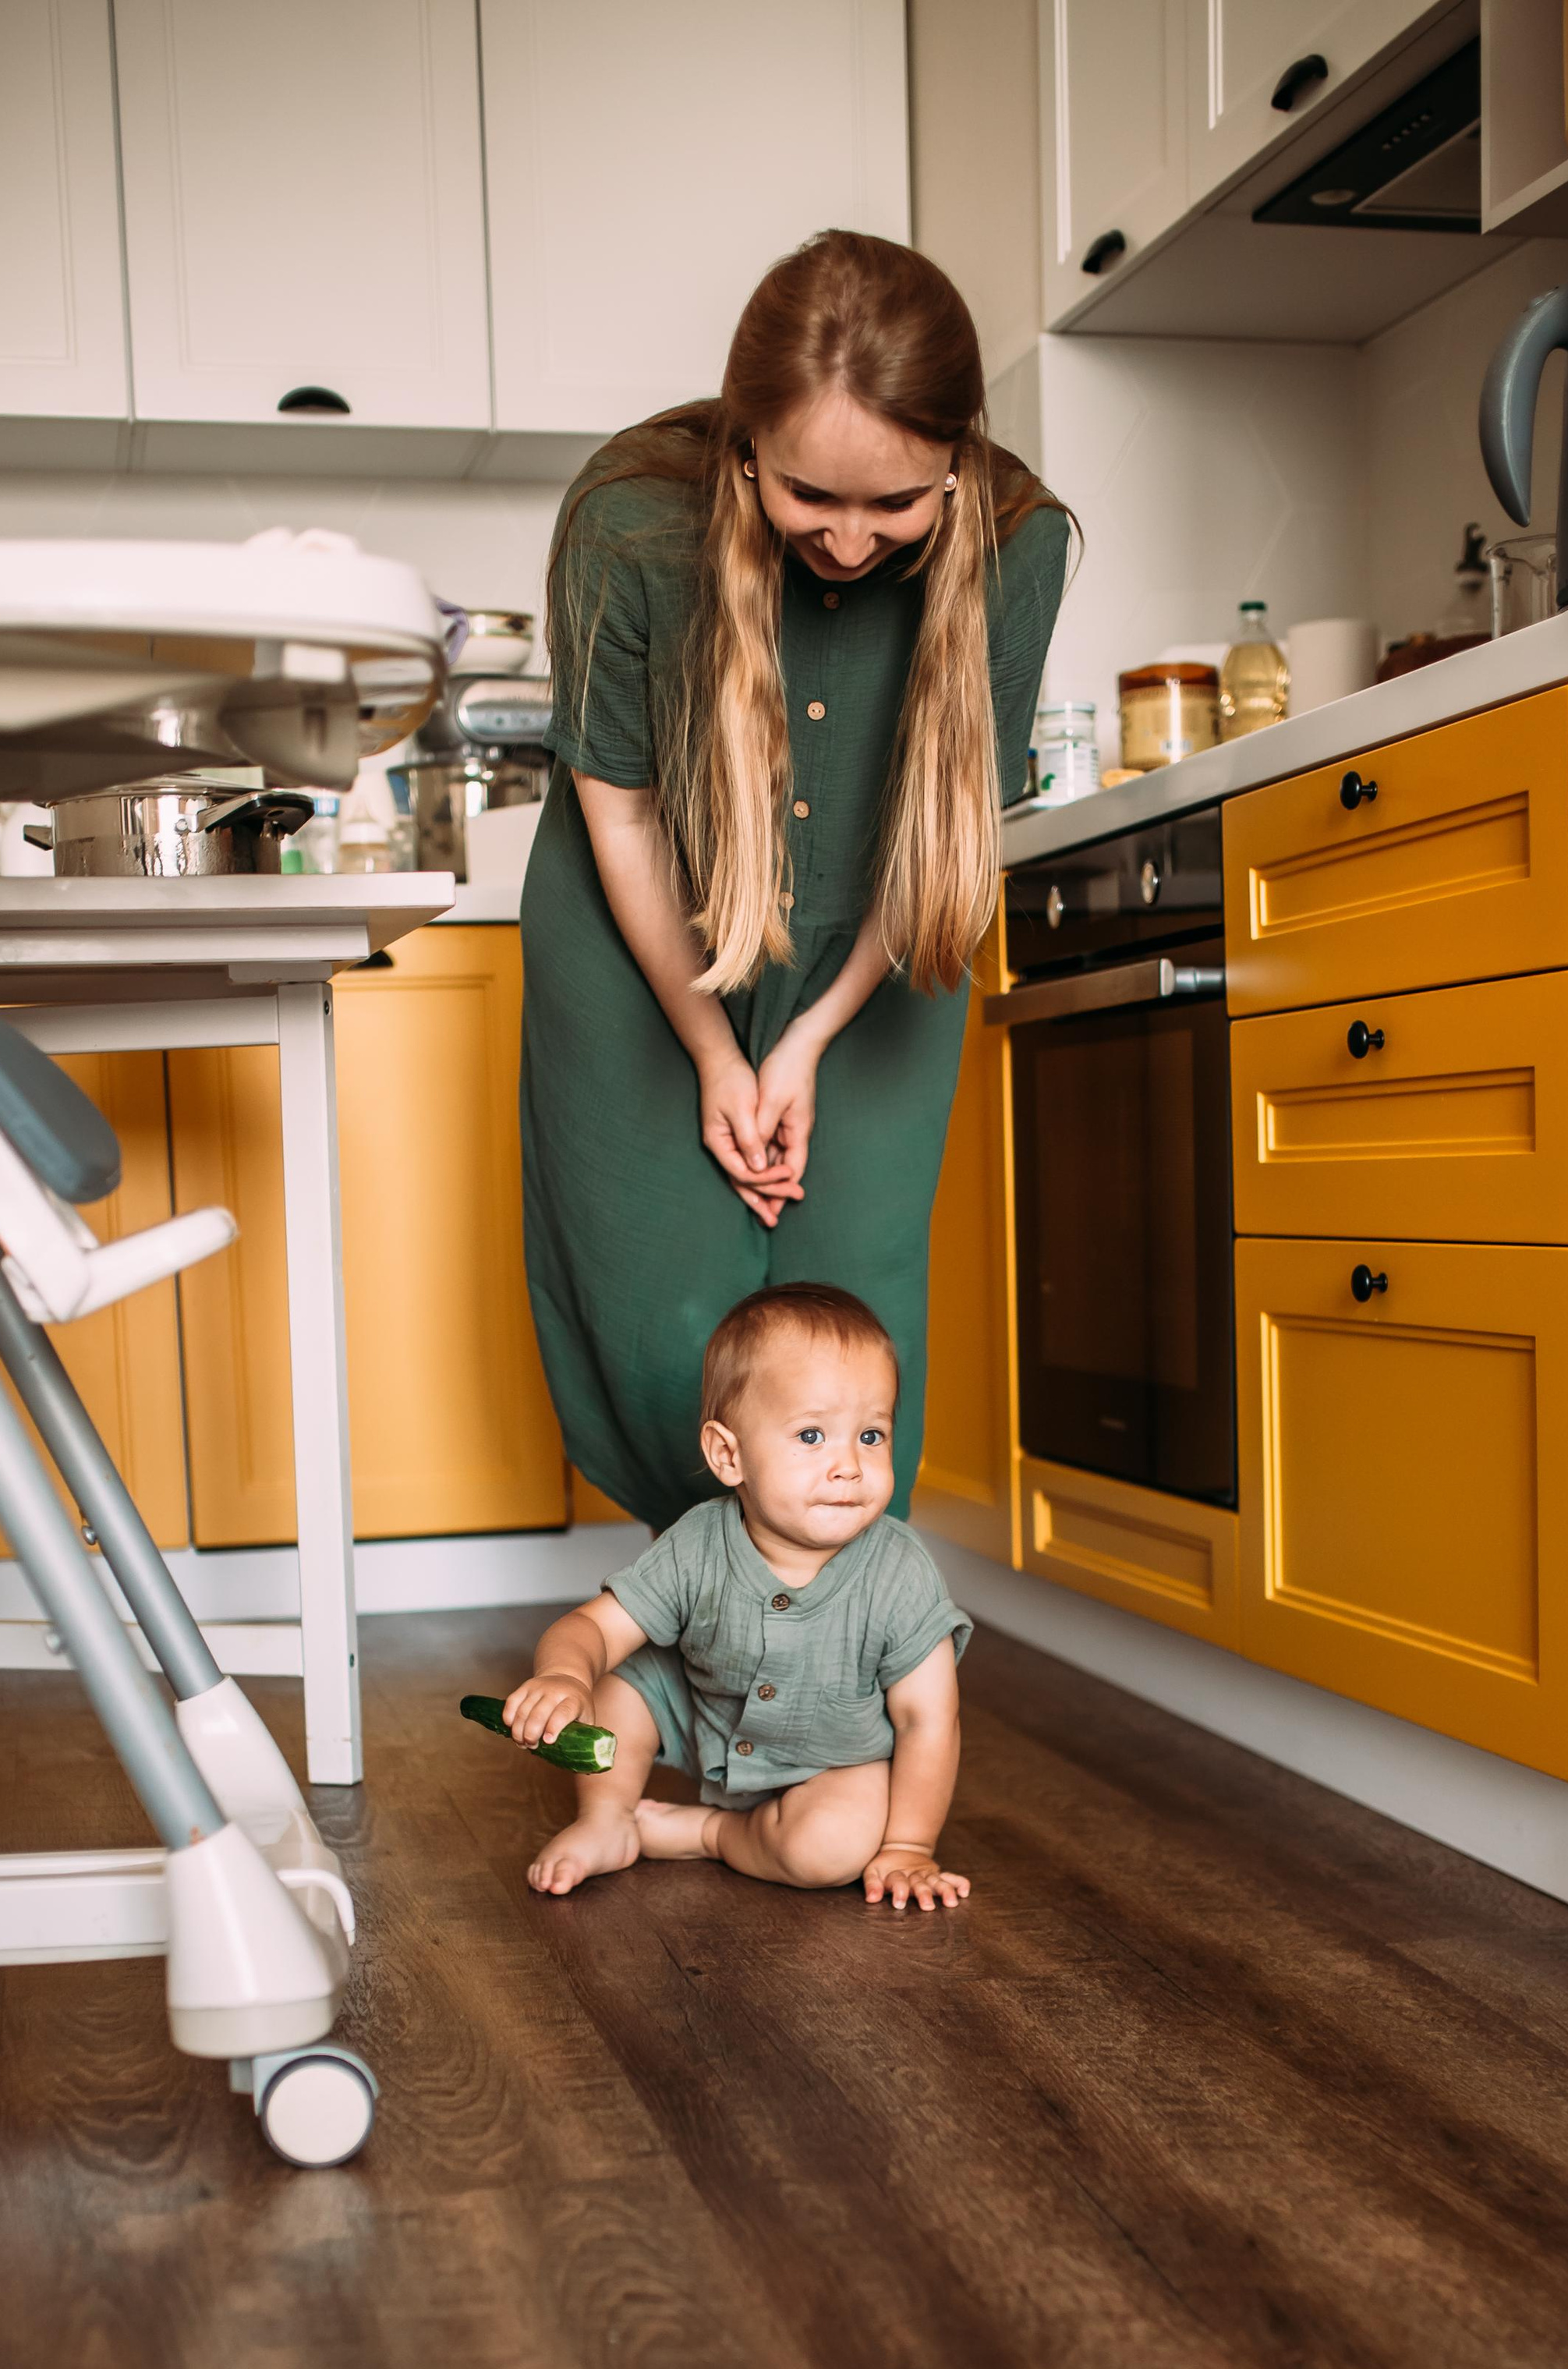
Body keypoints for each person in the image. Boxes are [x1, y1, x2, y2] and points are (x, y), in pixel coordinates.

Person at [520, 228, 1070, 1534]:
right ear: (747, 444)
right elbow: (624, 811)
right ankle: (711, 1633)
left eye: (898, 503)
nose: (850, 540)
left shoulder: (1016, 541)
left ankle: (822, 1673)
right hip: (645, 933)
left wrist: (816, 1032)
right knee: (671, 1337)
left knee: (851, 1335)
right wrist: (715, 1050)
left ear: (957, 459)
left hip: (885, 937)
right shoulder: (628, 522)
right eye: (812, 496)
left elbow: (942, 836)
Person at [504, 1283, 972, 1912]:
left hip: (833, 1766)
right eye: (812, 1436)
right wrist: (565, 1673)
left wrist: (910, 1845)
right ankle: (608, 1818)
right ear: (729, 1454)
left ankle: (715, 1833)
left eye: (871, 1435)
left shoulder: (901, 1571)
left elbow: (929, 1719)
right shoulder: (698, 1541)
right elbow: (594, 1627)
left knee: (835, 1847)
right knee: (620, 1684)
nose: (849, 1466)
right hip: (706, 1725)